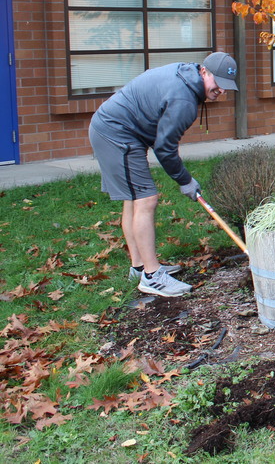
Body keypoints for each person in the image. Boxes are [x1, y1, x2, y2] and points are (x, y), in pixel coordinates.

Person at [88, 52, 239, 297]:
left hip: (120, 130)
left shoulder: (186, 75)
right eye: (217, 82)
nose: (221, 89)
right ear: (204, 71)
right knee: (146, 199)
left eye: (226, 86)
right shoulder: (184, 100)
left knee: (134, 198)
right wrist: (185, 180)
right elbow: (165, 149)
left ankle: (139, 267)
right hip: (116, 133)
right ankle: (152, 276)